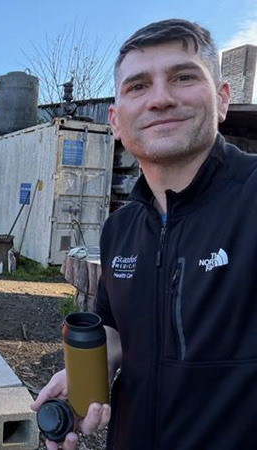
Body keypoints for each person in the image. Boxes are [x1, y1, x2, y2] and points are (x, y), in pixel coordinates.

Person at [32, 18, 257, 449]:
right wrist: (85, 378)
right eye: (138, 86)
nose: (160, 98)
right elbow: (115, 329)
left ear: (223, 98)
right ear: (116, 121)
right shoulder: (120, 228)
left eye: (183, 77)